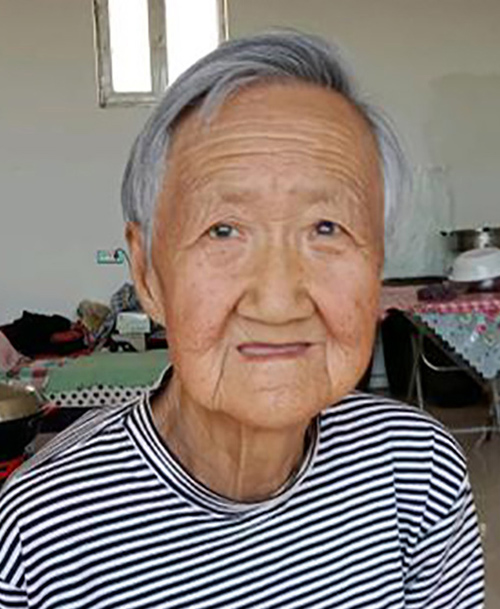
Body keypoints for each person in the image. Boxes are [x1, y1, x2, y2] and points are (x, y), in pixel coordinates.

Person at [0, 31, 484, 608]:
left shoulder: (417, 472)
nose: (278, 302)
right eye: (223, 230)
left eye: (327, 228)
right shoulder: (38, 533)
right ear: (148, 274)